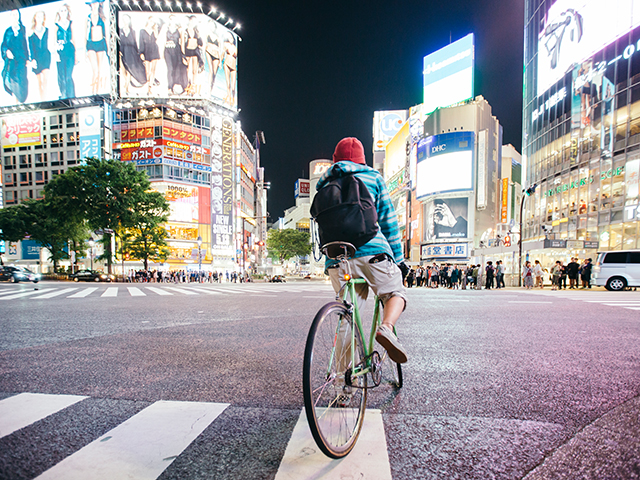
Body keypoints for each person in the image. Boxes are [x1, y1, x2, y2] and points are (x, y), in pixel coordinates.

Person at [319, 137, 408, 364]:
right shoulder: (374, 178)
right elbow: (388, 221)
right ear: (362, 160)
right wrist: (399, 260)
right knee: (395, 293)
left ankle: (342, 384)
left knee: (348, 318)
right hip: (373, 253)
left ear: (334, 160)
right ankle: (386, 328)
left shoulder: (324, 183)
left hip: (337, 259)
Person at [1, 9, 29, 104]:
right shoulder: (8, 31)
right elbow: (4, 45)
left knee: (21, 81)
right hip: (11, 61)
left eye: (16, 14)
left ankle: (21, 103)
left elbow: (25, 44)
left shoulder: (22, 29)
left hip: (21, 60)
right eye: (12, 14)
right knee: (10, 80)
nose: (14, 16)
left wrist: (27, 58)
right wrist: (6, 51)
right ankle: (15, 103)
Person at [86, 0, 108, 94]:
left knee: (99, 70)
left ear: (99, 4)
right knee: (94, 69)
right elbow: (84, 34)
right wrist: (84, 51)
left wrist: (108, 49)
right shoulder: (88, 18)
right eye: (93, 3)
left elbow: (106, 35)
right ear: (90, 5)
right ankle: (92, 91)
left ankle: (97, 92)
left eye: (96, 2)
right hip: (91, 44)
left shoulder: (103, 18)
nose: (94, 5)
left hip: (100, 43)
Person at [28, 11, 51, 102]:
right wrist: (32, 59)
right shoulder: (31, 32)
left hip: (45, 56)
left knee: (45, 80)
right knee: (39, 82)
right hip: (36, 58)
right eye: (38, 16)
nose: (39, 18)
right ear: (35, 18)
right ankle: (42, 100)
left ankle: (45, 100)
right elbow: (31, 48)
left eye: (41, 16)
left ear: (43, 18)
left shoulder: (47, 30)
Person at [54, 3, 75, 99]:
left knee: (68, 76)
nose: (63, 12)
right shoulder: (56, 25)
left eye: (65, 10)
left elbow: (73, 39)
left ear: (67, 12)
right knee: (61, 76)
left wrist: (76, 55)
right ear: (59, 12)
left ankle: (71, 96)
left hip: (70, 50)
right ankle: (63, 96)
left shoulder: (71, 23)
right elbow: (53, 41)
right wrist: (56, 54)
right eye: (61, 10)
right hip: (60, 52)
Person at [163, 16, 188, 95]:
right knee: (170, 69)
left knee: (176, 69)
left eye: (173, 18)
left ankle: (175, 87)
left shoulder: (180, 30)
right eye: (170, 18)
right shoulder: (166, 28)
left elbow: (182, 43)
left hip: (177, 51)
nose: (172, 20)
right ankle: (169, 87)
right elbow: (163, 40)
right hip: (168, 50)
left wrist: (183, 55)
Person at [139, 16, 161, 95]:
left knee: (153, 70)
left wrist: (155, 29)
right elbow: (141, 42)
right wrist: (141, 53)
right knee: (147, 71)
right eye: (151, 20)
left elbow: (156, 39)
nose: (152, 22)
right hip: (146, 51)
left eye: (153, 21)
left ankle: (150, 87)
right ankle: (148, 86)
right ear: (148, 20)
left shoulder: (154, 30)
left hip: (154, 50)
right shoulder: (142, 31)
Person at [183, 15, 203, 96]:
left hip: (195, 51)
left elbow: (200, 43)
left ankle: (194, 87)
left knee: (195, 70)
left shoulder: (197, 32)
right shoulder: (185, 30)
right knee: (187, 69)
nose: (194, 23)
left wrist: (199, 36)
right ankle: (188, 84)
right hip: (187, 50)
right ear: (190, 21)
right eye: (193, 20)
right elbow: (183, 43)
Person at [222, 31, 237, 105]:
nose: (230, 39)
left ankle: (233, 99)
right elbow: (222, 54)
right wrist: (219, 62)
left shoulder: (236, 48)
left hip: (233, 67)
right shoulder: (226, 45)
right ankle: (229, 97)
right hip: (226, 63)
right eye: (229, 38)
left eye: (231, 38)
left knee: (233, 86)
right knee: (228, 84)